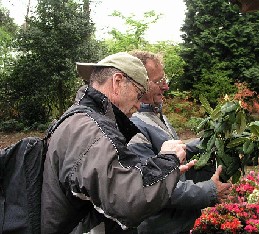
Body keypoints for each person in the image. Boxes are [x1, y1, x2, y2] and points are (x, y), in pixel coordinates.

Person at [41, 52, 193, 233]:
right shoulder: (91, 130)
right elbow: (129, 201)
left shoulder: (80, 121)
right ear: (118, 82)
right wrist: (169, 159)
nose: (138, 106)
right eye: (138, 95)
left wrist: (160, 169)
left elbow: (112, 179)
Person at [127, 51, 232, 234]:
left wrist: (213, 142)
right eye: (159, 81)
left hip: (176, 224)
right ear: (140, 82)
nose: (166, 86)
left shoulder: (156, 116)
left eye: (164, 79)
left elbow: (177, 156)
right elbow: (153, 187)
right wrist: (210, 190)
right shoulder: (133, 126)